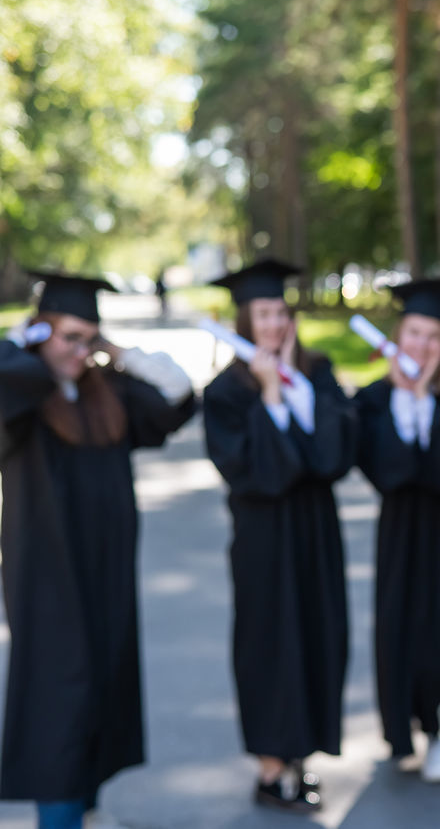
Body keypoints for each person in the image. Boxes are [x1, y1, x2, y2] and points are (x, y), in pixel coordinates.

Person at [0, 271, 195, 829]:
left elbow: (178, 394)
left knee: (100, 687)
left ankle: (86, 807)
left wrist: (117, 351)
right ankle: (57, 820)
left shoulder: (105, 392)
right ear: (40, 335)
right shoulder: (22, 401)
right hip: (46, 583)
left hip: (105, 573)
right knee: (59, 697)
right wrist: (28, 344)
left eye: (90, 339)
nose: (80, 352)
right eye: (69, 337)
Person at [202, 258, 356, 813]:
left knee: (316, 634)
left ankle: (299, 759)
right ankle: (270, 769)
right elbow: (262, 475)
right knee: (269, 642)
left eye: (279, 312)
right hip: (263, 538)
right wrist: (270, 396)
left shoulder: (318, 371)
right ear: (244, 320)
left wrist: (296, 390)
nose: (273, 323)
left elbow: (333, 458)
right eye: (262, 313)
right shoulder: (226, 392)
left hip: (315, 532)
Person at [352, 279, 440, 783]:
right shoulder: (372, 400)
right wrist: (406, 402)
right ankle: (419, 732)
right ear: (397, 335)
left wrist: (426, 404)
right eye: (413, 333)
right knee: (399, 633)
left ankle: (427, 715)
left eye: (434, 337)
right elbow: (390, 473)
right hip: (402, 538)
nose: (422, 346)